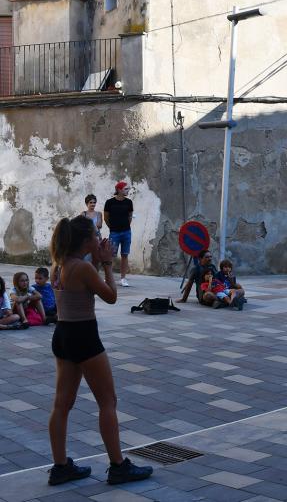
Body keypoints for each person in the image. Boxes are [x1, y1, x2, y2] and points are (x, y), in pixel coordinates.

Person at [47, 216, 153, 486]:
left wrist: (96, 260)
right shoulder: (82, 268)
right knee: (108, 402)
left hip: (62, 335)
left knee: (61, 405)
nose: (100, 239)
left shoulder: (58, 265)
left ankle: (60, 466)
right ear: (85, 241)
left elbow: (82, 288)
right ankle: (118, 466)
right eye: (96, 235)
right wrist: (108, 264)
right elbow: (111, 296)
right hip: (84, 336)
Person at [103, 182, 133, 287]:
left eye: (128, 189)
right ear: (119, 190)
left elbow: (130, 216)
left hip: (126, 232)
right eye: (126, 189)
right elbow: (106, 217)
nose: (128, 191)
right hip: (114, 232)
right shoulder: (110, 202)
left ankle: (123, 278)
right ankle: (108, 278)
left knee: (125, 254)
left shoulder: (129, 202)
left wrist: (125, 226)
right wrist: (112, 227)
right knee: (110, 255)